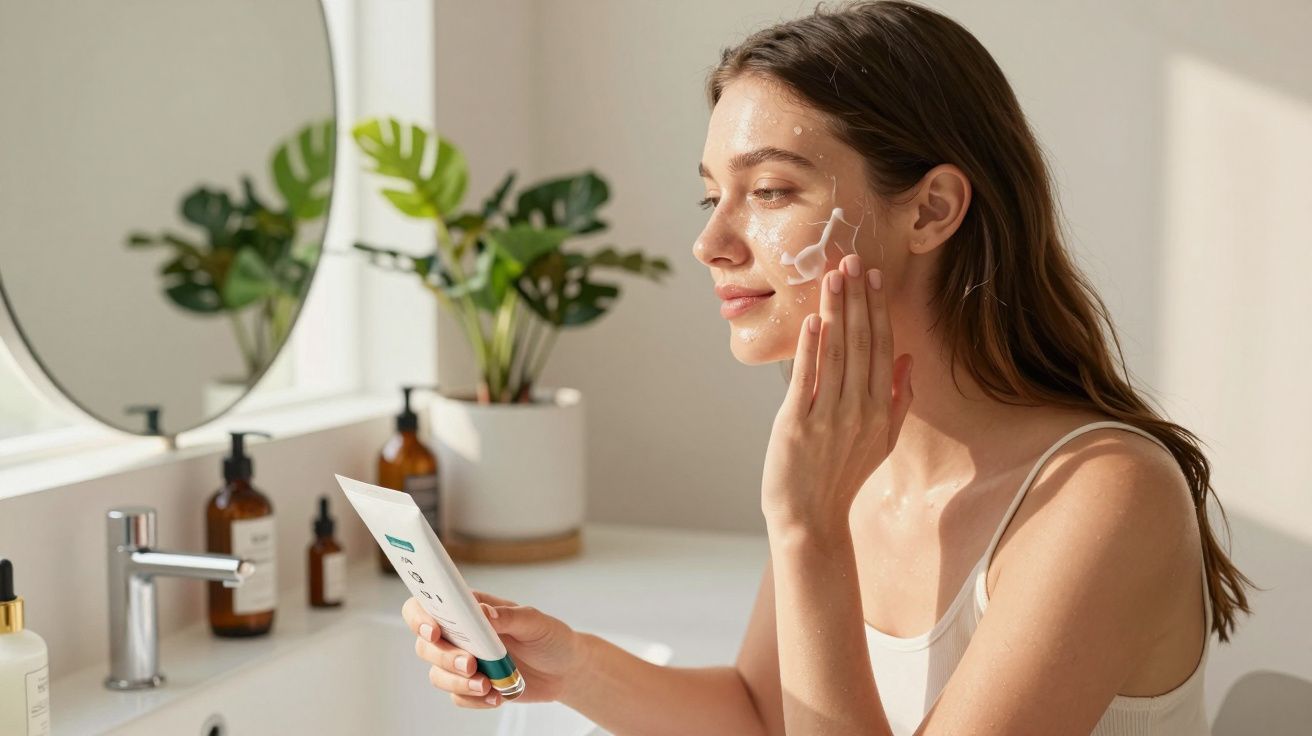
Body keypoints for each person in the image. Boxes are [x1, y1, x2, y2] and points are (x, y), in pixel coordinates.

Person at [401, 2, 1252, 733]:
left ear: (931, 210)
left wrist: (808, 531)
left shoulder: (1102, 494)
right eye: (712, 196)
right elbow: (766, 714)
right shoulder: (855, 460)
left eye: (768, 192)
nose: (711, 242)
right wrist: (573, 668)